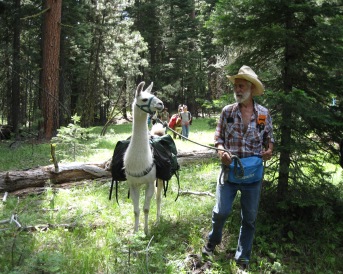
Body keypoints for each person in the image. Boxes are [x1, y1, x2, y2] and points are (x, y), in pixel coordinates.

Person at [202, 65, 274, 269]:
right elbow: (218, 138)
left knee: (249, 218)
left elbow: (270, 139)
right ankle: (212, 242)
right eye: (236, 86)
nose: (237, 90)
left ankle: (242, 258)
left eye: (241, 86)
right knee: (221, 212)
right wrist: (221, 152)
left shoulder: (263, 113)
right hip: (229, 172)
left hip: (253, 175)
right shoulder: (227, 112)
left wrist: (269, 150)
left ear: (251, 88)